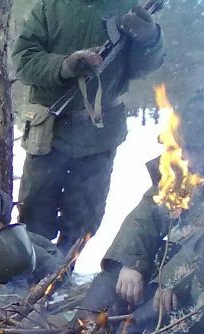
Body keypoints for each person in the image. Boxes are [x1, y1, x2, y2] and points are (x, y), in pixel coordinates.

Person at [78, 90, 204, 334]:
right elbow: (145, 215)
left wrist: (172, 278)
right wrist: (132, 262)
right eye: (183, 148)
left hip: (200, 289)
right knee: (106, 293)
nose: (185, 158)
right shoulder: (183, 173)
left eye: (195, 149)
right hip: (166, 276)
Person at [12, 1, 164, 253]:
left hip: (99, 134)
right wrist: (65, 65)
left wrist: (150, 39)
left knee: (84, 215)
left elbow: (142, 68)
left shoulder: (127, 7)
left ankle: (62, 273)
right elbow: (23, 61)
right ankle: (32, 273)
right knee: (35, 210)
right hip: (50, 130)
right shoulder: (48, 9)